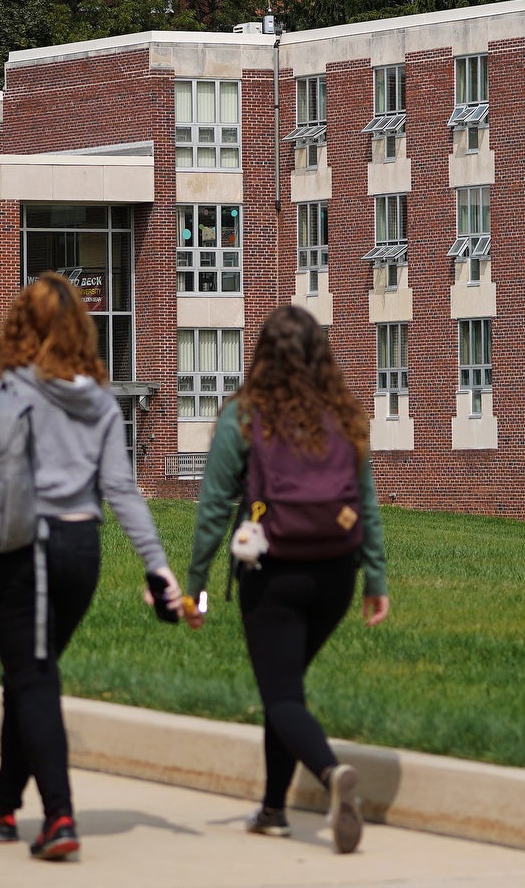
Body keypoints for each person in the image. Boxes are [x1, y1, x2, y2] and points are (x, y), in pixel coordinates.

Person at [0, 273, 183, 861]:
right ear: (80, 329)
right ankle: (2, 803)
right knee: (26, 675)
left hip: (15, 550)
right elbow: (122, 491)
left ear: (18, 325)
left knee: (33, 679)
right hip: (81, 554)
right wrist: (159, 569)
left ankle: (59, 817)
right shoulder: (101, 401)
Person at [187, 304, 388, 854]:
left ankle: (330, 776)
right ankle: (273, 809)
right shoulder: (343, 416)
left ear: (262, 356)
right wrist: (377, 579)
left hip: (273, 572)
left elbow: (212, 510)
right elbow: (366, 505)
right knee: (286, 691)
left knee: (280, 694)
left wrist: (195, 584)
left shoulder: (245, 416)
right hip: (336, 575)